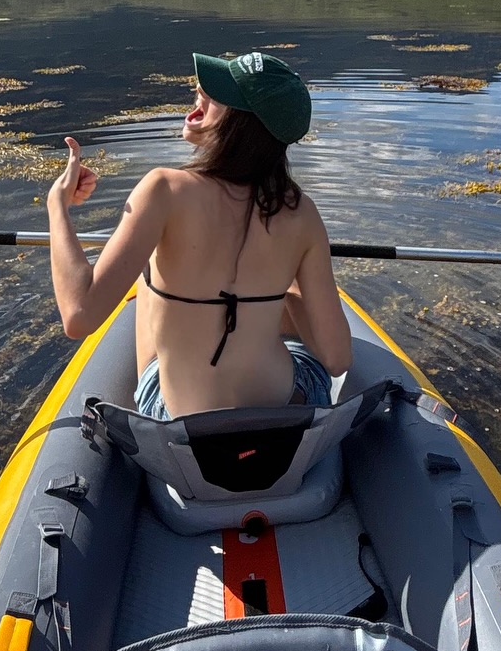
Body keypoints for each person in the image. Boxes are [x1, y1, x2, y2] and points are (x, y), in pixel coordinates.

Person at [47, 52, 352, 419]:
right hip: (287, 415)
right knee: (285, 298)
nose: (199, 89)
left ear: (243, 124)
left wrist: (57, 205)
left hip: (185, 430)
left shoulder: (162, 190)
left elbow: (78, 316)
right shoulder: (302, 213)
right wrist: (273, 288)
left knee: (148, 275)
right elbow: (336, 359)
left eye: (217, 93)